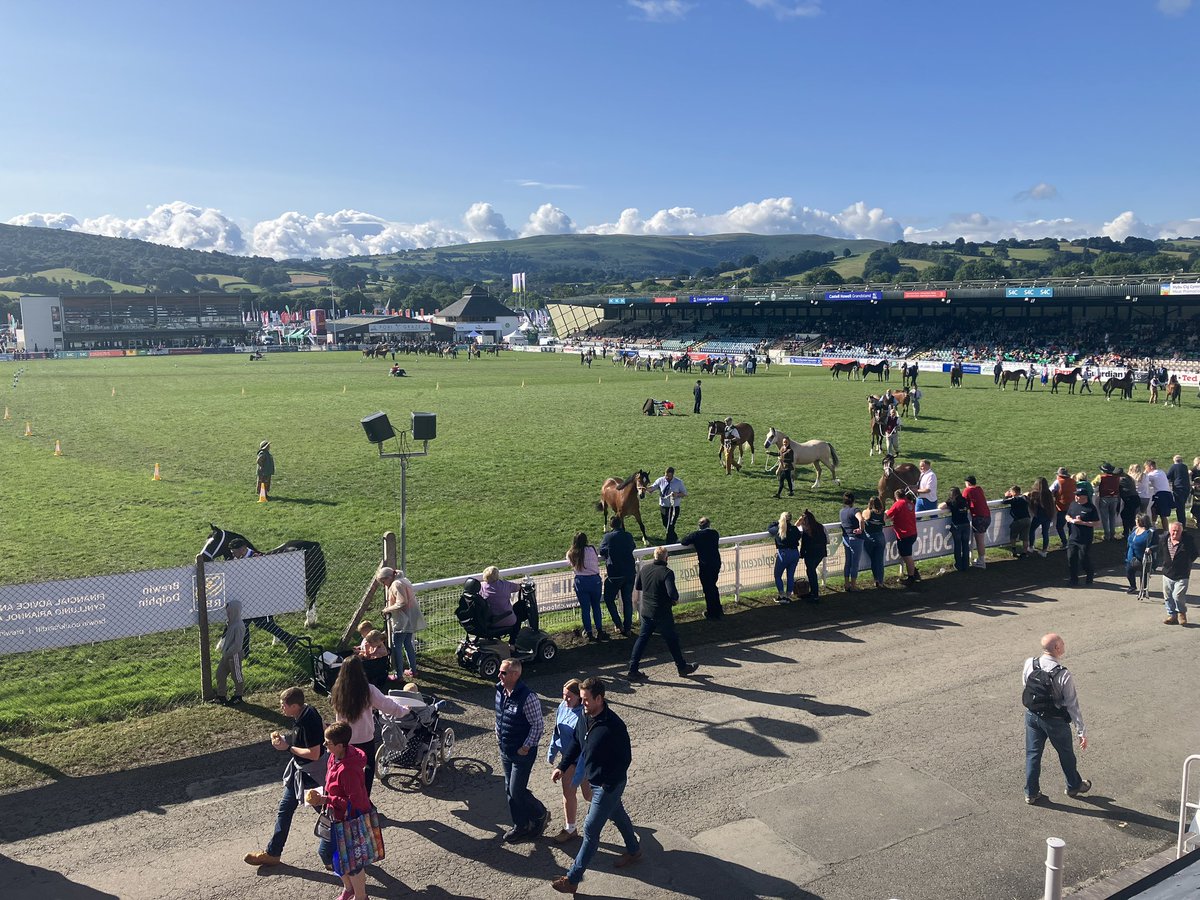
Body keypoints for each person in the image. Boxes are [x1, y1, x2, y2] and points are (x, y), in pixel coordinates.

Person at [551, 677, 641, 894]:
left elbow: (624, 760)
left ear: (599, 699)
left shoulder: (614, 726)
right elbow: (575, 741)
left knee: (590, 829)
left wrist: (608, 785)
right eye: (581, 699)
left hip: (608, 784)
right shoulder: (585, 715)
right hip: (597, 780)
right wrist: (562, 766)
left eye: (585, 700)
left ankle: (572, 879)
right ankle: (634, 850)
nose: (582, 704)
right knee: (617, 814)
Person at [244, 687, 326, 867]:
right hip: (301, 771)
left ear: (295, 706)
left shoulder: (308, 721)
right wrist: (285, 740)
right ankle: (273, 853)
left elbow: (314, 754)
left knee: (327, 814)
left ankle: (341, 848)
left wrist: (287, 747)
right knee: (285, 809)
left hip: (312, 774)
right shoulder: (303, 713)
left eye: (284, 706)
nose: (281, 709)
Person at [329, 655, 413, 796]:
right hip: (364, 740)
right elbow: (388, 705)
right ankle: (364, 802)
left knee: (346, 773)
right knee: (365, 773)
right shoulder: (368, 690)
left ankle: (346, 802)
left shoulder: (337, 690)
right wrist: (405, 710)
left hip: (343, 739)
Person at [1022, 633, 1090, 805]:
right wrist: (1081, 731)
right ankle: (1073, 785)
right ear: (1057, 648)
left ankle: (1031, 793)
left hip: (1032, 716)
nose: (1064, 645)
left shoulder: (1030, 662)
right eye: (1062, 643)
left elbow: (1026, 685)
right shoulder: (1063, 674)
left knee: (1033, 754)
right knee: (1066, 753)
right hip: (1054, 721)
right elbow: (1072, 704)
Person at [309, 722, 373, 899]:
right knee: (326, 853)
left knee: (352, 863)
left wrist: (325, 799)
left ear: (340, 745)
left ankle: (361, 896)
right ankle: (349, 888)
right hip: (334, 815)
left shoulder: (349, 770)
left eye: (327, 743)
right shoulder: (333, 757)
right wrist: (322, 796)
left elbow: (354, 801)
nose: (324, 746)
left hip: (349, 819)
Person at [495, 659, 550, 842]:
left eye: (503, 673)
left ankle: (539, 814)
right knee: (509, 790)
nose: (499, 675)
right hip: (505, 749)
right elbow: (499, 717)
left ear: (515, 675)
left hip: (521, 753)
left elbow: (538, 725)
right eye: (500, 671)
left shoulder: (528, 697)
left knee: (516, 790)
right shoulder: (500, 691)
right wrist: (498, 738)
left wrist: (526, 747)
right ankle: (520, 825)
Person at [626, 546, 699, 680]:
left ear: (654, 556)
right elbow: (672, 594)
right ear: (666, 558)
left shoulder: (645, 568)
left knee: (642, 640)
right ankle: (682, 667)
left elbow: (638, 586)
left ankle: (632, 670)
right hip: (662, 613)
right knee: (672, 640)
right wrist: (673, 600)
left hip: (646, 611)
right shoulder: (667, 572)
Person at [546, 679, 593, 844]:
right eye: (563, 695)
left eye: (569, 696)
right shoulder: (562, 706)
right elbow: (556, 731)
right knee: (568, 794)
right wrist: (552, 752)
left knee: (588, 795)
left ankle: (611, 806)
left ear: (579, 697)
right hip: (567, 759)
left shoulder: (585, 714)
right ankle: (570, 829)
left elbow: (581, 741)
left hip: (581, 760)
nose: (565, 700)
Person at [380, 567, 424, 679]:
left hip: (402, 620)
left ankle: (398, 675)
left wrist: (387, 609)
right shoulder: (404, 580)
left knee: (397, 646)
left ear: (388, 578)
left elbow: (402, 602)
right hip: (410, 618)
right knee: (408, 643)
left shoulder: (396, 584)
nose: (384, 584)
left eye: (383, 581)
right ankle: (413, 670)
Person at [680, 516, 723, 620]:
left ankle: (712, 613)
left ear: (699, 526)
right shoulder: (715, 533)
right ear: (709, 525)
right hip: (716, 563)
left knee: (708, 589)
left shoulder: (696, 535)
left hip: (705, 565)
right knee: (713, 586)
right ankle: (718, 610)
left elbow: (684, 541)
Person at [598, 516, 635, 637]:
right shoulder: (628, 536)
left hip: (615, 575)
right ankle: (628, 627)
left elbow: (602, 551)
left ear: (611, 525)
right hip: (629, 573)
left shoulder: (608, 537)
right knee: (627, 601)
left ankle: (619, 625)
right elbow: (633, 547)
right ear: (621, 524)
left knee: (609, 599)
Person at [568, 532, 606, 641]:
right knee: (596, 606)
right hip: (595, 581)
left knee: (585, 609)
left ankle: (589, 632)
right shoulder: (592, 549)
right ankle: (599, 630)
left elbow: (571, 563)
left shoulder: (572, 553)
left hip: (581, 582)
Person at [1158, 521, 1197, 625]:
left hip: (1182, 574)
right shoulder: (1163, 540)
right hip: (1167, 573)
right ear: (1170, 531)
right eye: (1173, 531)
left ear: (1181, 531)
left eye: (1177, 531)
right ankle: (1171, 615)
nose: (1175, 533)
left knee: (1178, 595)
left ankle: (1181, 613)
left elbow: (1194, 554)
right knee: (1168, 596)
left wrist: (1186, 564)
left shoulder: (1187, 542)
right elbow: (1160, 552)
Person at [211, 598, 246, 705]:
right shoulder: (230, 624)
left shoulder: (239, 626)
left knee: (236, 676)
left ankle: (238, 696)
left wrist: (228, 653)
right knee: (220, 674)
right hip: (226, 655)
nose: (227, 613)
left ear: (234, 611)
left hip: (234, 655)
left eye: (229, 611)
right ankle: (221, 696)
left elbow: (237, 644)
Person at [1065, 487, 1100, 586]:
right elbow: (1067, 515)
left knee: (1083, 558)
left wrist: (1082, 523)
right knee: (1071, 558)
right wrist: (1071, 520)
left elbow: (1097, 523)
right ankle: (1073, 579)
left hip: (1085, 538)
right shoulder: (1073, 504)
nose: (1076, 497)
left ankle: (1089, 574)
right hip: (1073, 537)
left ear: (1084, 497)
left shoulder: (1090, 508)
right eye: (1076, 495)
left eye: (1078, 495)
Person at [480, 566, 522, 644]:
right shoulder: (505, 585)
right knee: (518, 618)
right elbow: (518, 587)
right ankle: (512, 643)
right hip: (505, 619)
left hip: (487, 621)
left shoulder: (481, 586)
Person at [886, 488, 919, 585]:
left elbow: (886, 516)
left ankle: (912, 576)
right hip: (912, 532)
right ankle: (913, 573)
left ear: (896, 497)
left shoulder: (898, 504)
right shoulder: (910, 503)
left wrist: (887, 512)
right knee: (907, 555)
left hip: (904, 534)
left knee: (906, 556)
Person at [768, 510, 802, 602]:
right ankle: (788, 596)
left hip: (784, 554)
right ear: (790, 519)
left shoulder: (778, 529)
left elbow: (769, 528)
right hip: (795, 553)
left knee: (778, 575)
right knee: (790, 576)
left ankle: (782, 595)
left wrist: (777, 522)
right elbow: (798, 535)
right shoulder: (794, 529)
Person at [647, 466, 686, 544]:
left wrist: (677, 494)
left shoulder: (678, 482)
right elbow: (652, 488)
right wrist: (645, 488)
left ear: (673, 475)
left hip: (674, 507)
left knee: (670, 524)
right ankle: (675, 538)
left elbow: (684, 493)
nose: (667, 478)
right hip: (663, 507)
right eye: (666, 475)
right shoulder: (660, 480)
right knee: (665, 523)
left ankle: (669, 542)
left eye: (669, 476)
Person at [798, 510, 828, 603]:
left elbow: (804, 544)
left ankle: (815, 594)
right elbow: (826, 540)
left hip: (810, 554)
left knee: (811, 572)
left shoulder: (805, 529)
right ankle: (813, 592)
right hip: (820, 553)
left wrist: (801, 554)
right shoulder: (820, 526)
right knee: (811, 571)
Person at [941, 486, 972, 572]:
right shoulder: (964, 500)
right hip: (966, 524)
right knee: (965, 545)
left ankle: (958, 565)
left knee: (958, 545)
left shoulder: (952, 501)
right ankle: (966, 565)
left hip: (957, 526)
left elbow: (941, 506)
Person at [962, 475, 991, 568]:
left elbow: (962, 501)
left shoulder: (967, 490)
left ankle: (982, 562)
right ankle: (980, 560)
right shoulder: (979, 489)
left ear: (968, 483)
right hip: (987, 516)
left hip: (978, 517)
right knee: (980, 539)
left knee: (979, 541)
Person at [1124, 514, 1157, 594]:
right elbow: (1129, 541)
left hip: (1143, 558)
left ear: (1141, 521)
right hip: (1131, 557)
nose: (1135, 521)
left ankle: (1143, 589)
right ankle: (1132, 586)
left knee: (1144, 575)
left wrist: (1151, 549)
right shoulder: (1134, 529)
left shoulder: (1150, 532)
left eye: (1136, 519)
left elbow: (1157, 545)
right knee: (1129, 572)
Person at [861, 496, 888, 588]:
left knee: (873, 559)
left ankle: (876, 579)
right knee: (879, 560)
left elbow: (862, 520)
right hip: (880, 537)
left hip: (869, 537)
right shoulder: (883, 514)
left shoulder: (866, 512)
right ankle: (880, 581)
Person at [839, 492, 864, 591]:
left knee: (848, 562)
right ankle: (853, 585)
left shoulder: (841, 511)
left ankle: (846, 584)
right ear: (853, 500)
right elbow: (861, 519)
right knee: (855, 563)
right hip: (855, 538)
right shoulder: (855, 510)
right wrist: (861, 529)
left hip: (846, 538)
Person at [1094, 462, 1122, 542]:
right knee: (1112, 517)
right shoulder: (1117, 477)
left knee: (1105, 518)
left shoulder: (1100, 477)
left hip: (1104, 498)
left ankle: (1107, 535)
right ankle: (1112, 534)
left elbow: (1093, 484)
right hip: (1115, 498)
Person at [1027, 477, 1054, 558]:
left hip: (1039, 515)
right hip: (1048, 515)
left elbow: (1030, 499)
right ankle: (1044, 551)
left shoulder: (1036, 493)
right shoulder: (1048, 492)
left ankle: (1031, 546)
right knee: (1045, 533)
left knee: (1032, 530)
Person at [1001, 486, 1031, 557]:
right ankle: (1024, 553)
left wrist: (1006, 496)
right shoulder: (1024, 498)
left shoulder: (1014, 499)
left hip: (1018, 520)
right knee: (1025, 538)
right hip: (1027, 519)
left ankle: (1014, 551)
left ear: (1014, 492)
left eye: (1011, 492)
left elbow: (1003, 502)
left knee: (1013, 536)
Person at [1145, 459, 1174, 532]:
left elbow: (1143, 479)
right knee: (1154, 509)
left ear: (1151, 467)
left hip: (1161, 494)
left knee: (1162, 514)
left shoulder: (1152, 474)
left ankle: (1165, 531)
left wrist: (1145, 472)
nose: (1146, 469)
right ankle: (1154, 525)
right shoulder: (1161, 472)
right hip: (1167, 494)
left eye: (1146, 467)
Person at [1167, 454, 1191, 526]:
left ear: (1174, 461)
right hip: (1186, 488)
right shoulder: (1185, 466)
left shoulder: (1174, 467)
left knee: (1180, 507)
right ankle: (1182, 522)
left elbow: (1168, 476)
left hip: (1178, 488)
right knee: (1182, 505)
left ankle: (1181, 524)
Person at [1118, 465, 1141, 539]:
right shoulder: (1128, 478)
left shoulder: (1121, 479)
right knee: (1130, 516)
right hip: (1135, 498)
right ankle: (1131, 532)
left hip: (1130, 499)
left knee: (1126, 516)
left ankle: (1128, 533)